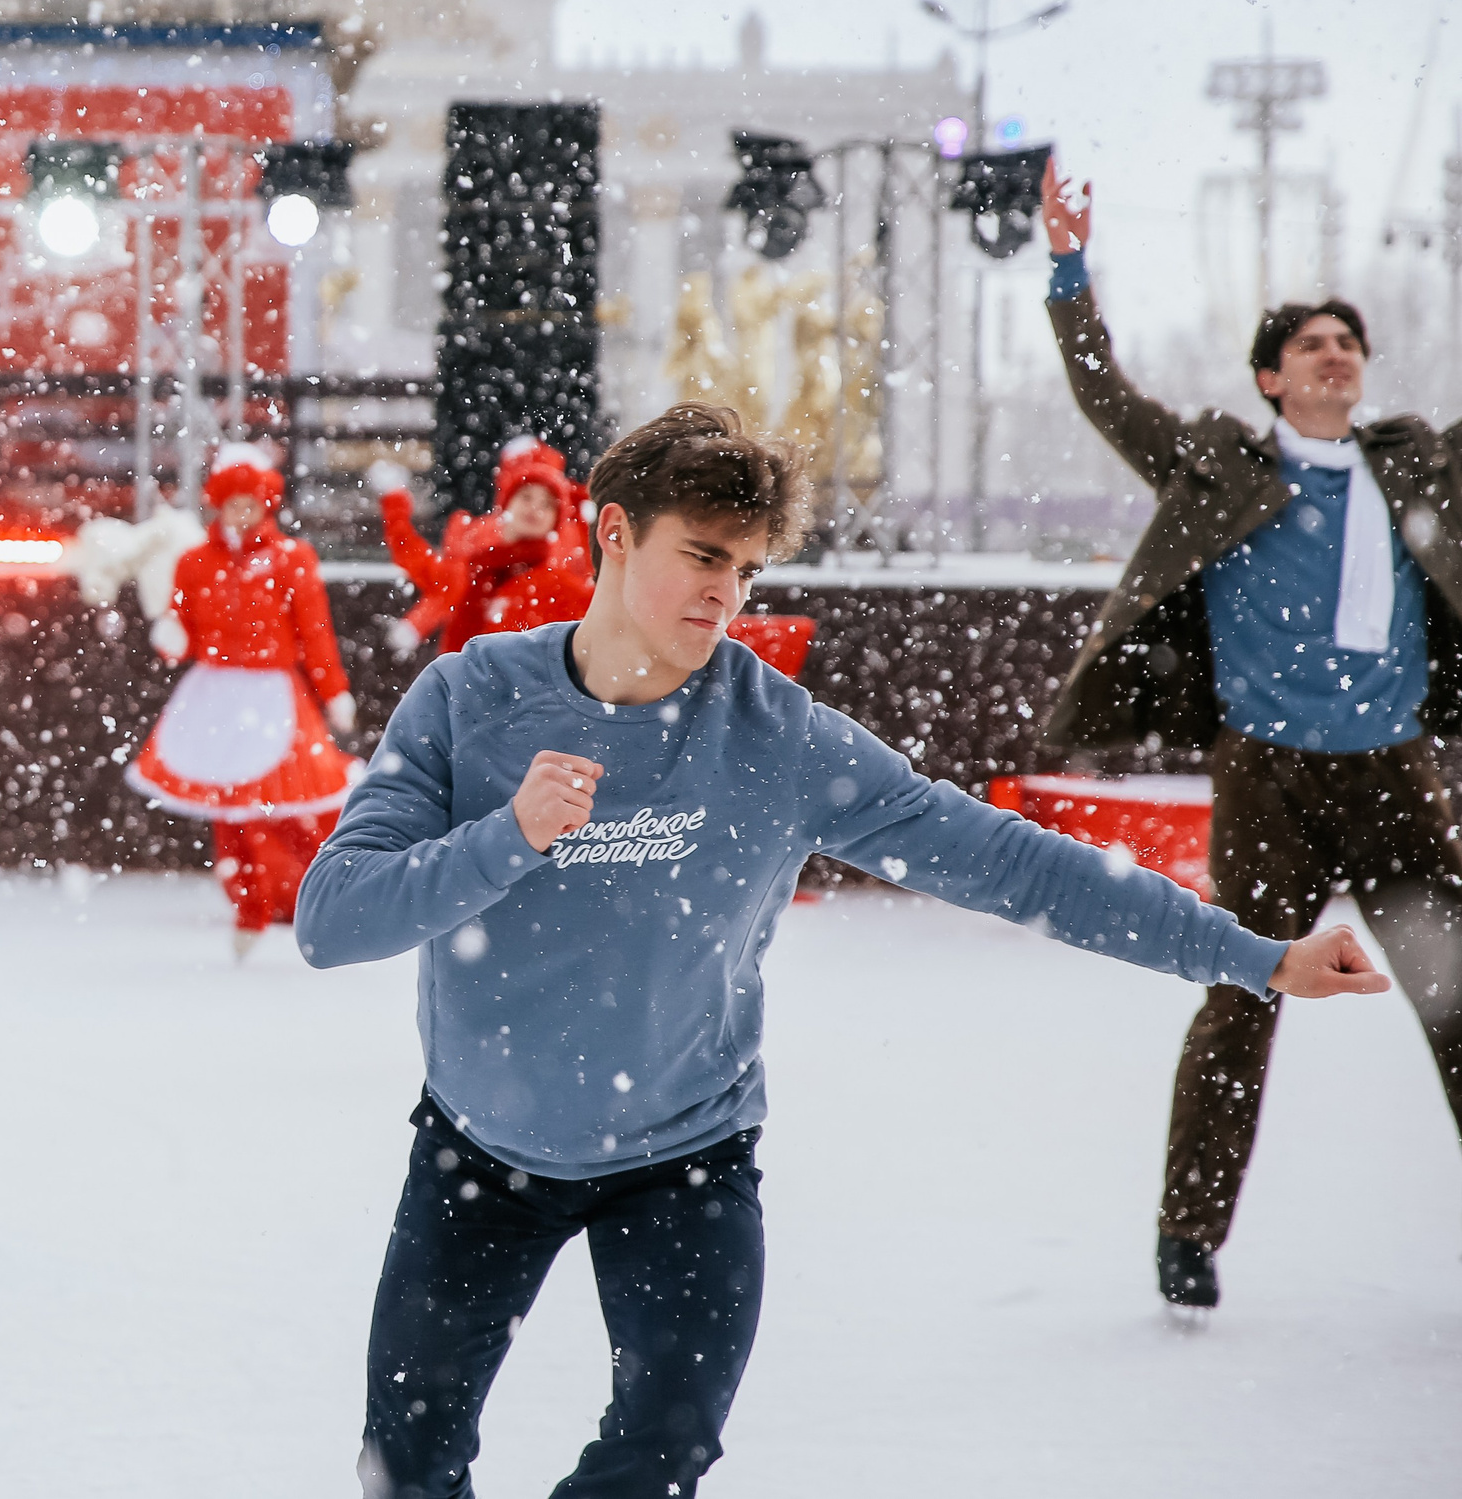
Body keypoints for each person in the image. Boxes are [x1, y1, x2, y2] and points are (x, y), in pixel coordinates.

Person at [295, 403, 1387, 1498]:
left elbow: (1014, 863)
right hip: (480, 1154)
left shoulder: (778, 736)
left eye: (749, 567)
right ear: (614, 533)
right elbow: (332, 918)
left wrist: (1249, 954)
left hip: (683, 1159)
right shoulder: (469, 697)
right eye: (703, 555)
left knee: (660, 1450)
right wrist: (507, 839)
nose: (726, 592)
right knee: (408, 1463)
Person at [1040, 157, 1462, 1309]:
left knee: (1456, 993)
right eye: (1313, 345)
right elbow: (1105, 394)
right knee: (1242, 994)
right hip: (1268, 774)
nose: (1337, 355)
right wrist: (1067, 269)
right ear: (1272, 377)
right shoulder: (1222, 463)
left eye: (1349, 343)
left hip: (1395, 772)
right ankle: (1188, 1236)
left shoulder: (1416, 462)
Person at [127, 444, 360, 958]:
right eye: (232, 500)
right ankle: (249, 902)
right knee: (231, 810)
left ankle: (314, 895)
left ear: (267, 504)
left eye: (251, 501)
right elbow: (183, 624)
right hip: (216, 694)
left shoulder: (292, 559)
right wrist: (172, 636)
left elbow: (315, 632)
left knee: (293, 805)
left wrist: (334, 690)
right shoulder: (194, 562)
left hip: (272, 694)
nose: (241, 511)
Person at [374, 436, 594, 655]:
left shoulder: (560, 583)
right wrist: (395, 504)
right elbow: (417, 560)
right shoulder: (474, 566)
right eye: (526, 497)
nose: (535, 509)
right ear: (506, 502)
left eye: (547, 505)